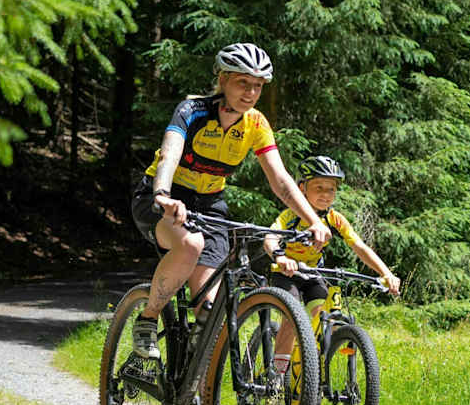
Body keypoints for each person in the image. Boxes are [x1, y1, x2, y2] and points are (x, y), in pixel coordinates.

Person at [129, 43, 331, 359]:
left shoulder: (256, 124)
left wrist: (313, 220)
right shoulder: (192, 111)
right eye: (242, 82)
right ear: (223, 80)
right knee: (190, 245)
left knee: (209, 310)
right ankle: (148, 319)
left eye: (258, 86)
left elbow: (280, 180)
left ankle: (192, 379)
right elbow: (170, 154)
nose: (250, 92)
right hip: (162, 196)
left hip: (209, 203)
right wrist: (163, 196)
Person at [262, 155, 400, 376]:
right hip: (286, 273)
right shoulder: (291, 215)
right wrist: (280, 257)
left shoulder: (335, 219)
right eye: (319, 187)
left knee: (319, 314)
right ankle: (277, 377)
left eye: (331, 189)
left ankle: (309, 375)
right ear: (302, 188)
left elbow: (360, 247)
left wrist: (386, 273)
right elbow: (269, 239)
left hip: (312, 274)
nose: (326, 195)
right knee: (292, 315)